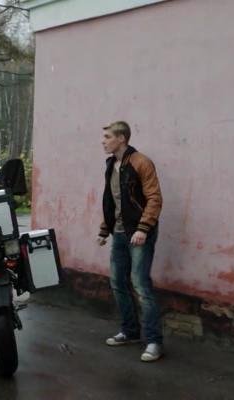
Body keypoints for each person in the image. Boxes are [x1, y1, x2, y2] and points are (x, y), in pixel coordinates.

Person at [97, 121, 164, 362]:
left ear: (122, 138)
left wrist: (144, 228)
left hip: (139, 233)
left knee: (140, 285)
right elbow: (113, 201)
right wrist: (104, 229)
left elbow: (154, 198)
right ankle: (130, 331)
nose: (103, 141)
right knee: (118, 282)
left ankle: (154, 341)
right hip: (119, 233)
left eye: (107, 137)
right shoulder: (111, 165)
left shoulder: (141, 162)